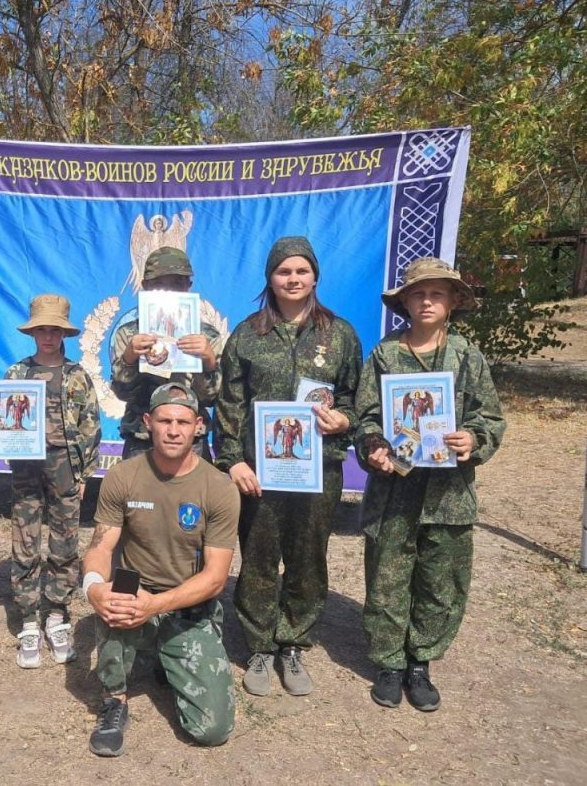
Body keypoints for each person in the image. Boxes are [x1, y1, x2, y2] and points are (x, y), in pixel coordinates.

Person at [354, 257, 505, 711]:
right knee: (387, 576)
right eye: (418, 294)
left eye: (436, 293)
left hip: (448, 494)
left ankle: (421, 662)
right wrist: (374, 445)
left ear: (454, 301)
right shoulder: (385, 354)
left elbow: (490, 416)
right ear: (404, 302)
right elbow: (366, 417)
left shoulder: (467, 355)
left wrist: (472, 438)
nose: (426, 301)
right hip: (394, 491)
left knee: (441, 579)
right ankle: (389, 663)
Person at [215, 236, 362, 696]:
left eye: (301, 271)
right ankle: (259, 645)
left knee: (307, 557)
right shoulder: (247, 335)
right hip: (260, 472)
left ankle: (293, 641)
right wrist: (233, 461)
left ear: (315, 276)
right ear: (270, 278)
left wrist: (346, 420)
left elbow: (361, 400)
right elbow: (229, 405)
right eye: (284, 271)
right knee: (258, 558)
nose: (293, 279)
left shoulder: (340, 335)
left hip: (318, 471)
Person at [83, 383, 239, 757]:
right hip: (133, 588)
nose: (173, 430)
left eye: (183, 422)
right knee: (114, 596)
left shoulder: (218, 487)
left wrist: (155, 606)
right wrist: (92, 587)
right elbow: (101, 544)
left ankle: (167, 657)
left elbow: (216, 577)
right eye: (165, 420)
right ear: (148, 422)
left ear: (199, 426)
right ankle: (114, 700)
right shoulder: (123, 476)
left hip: (184, 599)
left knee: (212, 730)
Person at [6, 294, 100, 668]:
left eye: (54, 330)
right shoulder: (17, 374)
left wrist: (84, 473)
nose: (48, 336)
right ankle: (29, 617)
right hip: (27, 467)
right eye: (42, 329)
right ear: (33, 333)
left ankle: (57, 613)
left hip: (65, 463)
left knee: (65, 540)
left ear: (64, 333)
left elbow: (91, 424)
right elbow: (7, 417)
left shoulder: (77, 374)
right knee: (25, 537)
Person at [110, 246, 222, 460]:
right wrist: (129, 359)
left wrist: (208, 361)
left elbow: (211, 398)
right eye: (159, 284)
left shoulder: (207, 336)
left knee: (193, 495)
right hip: (142, 437)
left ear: (188, 286)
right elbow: (122, 393)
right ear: (145, 286)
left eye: (177, 283)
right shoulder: (129, 334)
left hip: (190, 441)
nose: (169, 290)